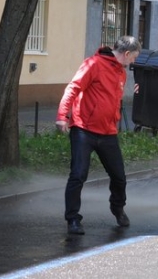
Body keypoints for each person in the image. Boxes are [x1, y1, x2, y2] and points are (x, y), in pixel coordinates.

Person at [56, 35, 142, 235]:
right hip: (83, 129)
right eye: (134, 58)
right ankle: (73, 220)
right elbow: (73, 88)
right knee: (78, 175)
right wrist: (62, 115)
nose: (134, 62)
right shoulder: (93, 64)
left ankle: (117, 207)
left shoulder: (121, 73)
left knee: (119, 177)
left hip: (108, 133)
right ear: (127, 53)